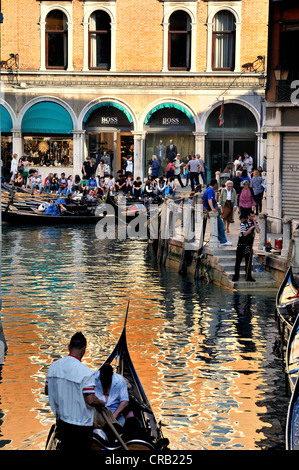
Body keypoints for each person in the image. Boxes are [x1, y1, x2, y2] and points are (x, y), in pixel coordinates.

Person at [45, 332, 105, 451]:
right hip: (81, 429)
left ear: (69, 347)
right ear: (83, 350)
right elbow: (90, 400)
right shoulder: (86, 373)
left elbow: (47, 391)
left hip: (62, 424)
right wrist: (101, 403)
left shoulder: (53, 367)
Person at [201, 178, 232, 246]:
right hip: (212, 210)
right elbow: (210, 199)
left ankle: (221, 240)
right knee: (220, 225)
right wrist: (212, 208)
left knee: (217, 225)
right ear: (215, 185)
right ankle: (223, 241)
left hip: (208, 209)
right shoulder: (211, 191)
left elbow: (201, 199)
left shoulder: (206, 190)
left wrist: (204, 208)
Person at [232, 210, 260, 282]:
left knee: (248, 262)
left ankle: (248, 276)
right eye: (252, 216)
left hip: (249, 245)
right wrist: (251, 228)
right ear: (248, 216)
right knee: (238, 261)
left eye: (254, 216)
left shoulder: (255, 223)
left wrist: (254, 223)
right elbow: (244, 234)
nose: (253, 217)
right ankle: (236, 276)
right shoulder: (243, 224)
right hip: (241, 245)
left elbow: (258, 231)